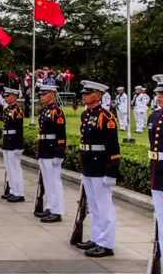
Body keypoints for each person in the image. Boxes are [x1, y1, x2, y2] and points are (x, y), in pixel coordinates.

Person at [75, 80, 121, 258]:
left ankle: (106, 243)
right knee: (93, 206)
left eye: (88, 93)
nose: (84, 96)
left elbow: (113, 147)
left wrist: (111, 172)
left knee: (104, 207)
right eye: (84, 93)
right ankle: (96, 238)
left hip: (101, 167)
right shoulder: (86, 115)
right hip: (89, 166)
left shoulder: (106, 117)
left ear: (98, 95)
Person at [35, 84, 66, 223]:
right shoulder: (45, 110)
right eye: (41, 94)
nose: (41, 96)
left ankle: (57, 210)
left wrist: (59, 153)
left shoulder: (57, 112)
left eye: (44, 94)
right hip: (44, 149)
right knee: (47, 182)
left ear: (53, 94)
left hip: (52, 150)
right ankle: (50, 206)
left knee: (54, 181)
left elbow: (61, 134)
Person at [148, 74, 163, 263]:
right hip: (157, 172)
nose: (159, 96)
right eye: (158, 93)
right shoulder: (155, 115)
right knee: (160, 217)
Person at [1, 87, 24, 202]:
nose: (6, 98)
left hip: (14, 142)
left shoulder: (18, 111)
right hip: (7, 142)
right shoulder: (7, 110)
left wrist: (18, 145)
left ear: (14, 96)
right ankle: (12, 190)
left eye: (8, 96)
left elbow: (19, 130)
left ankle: (19, 192)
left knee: (15, 168)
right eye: (5, 96)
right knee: (9, 168)